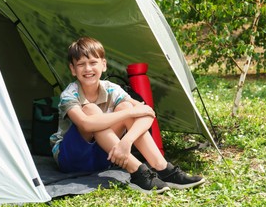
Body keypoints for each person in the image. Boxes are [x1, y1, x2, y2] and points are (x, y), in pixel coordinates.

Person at [50, 37, 205, 193]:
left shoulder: (111, 88)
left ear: (103, 65)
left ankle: (163, 168)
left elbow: (148, 113)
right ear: (73, 69)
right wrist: (129, 112)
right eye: (81, 64)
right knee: (93, 111)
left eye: (93, 63)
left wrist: (127, 141)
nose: (88, 69)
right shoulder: (69, 94)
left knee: (125, 105)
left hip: (108, 155)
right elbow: (86, 124)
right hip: (71, 159)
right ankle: (138, 171)